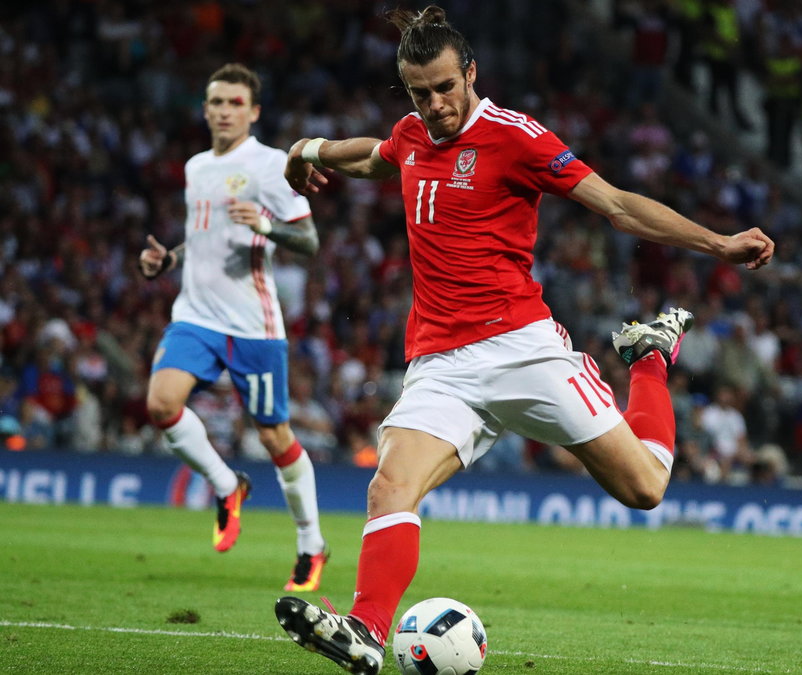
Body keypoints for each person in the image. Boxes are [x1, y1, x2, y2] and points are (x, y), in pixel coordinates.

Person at [272, 7, 774, 674]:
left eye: (446, 87)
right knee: (389, 488)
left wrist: (718, 243)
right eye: (420, 93)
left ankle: (649, 357)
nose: (436, 104)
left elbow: (618, 204)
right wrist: (303, 153)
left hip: (523, 349)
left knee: (646, 488)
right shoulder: (411, 134)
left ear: (471, 72)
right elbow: (371, 155)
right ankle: (365, 628)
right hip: (439, 364)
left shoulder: (517, 138)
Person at [138, 63, 329, 592]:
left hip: (252, 324)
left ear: (254, 111)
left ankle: (312, 544)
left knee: (274, 436)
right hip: (195, 316)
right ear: (204, 108)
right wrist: (168, 261)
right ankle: (226, 486)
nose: (224, 111)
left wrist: (265, 226)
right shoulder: (196, 166)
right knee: (160, 404)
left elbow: (309, 241)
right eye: (216, 102)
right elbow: (202, 237)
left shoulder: (270, 166)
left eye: (235, 103)